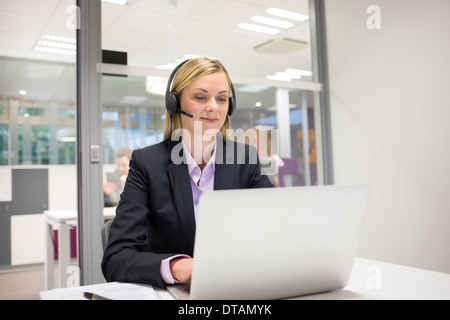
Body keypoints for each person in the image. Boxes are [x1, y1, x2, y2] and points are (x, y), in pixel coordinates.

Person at [101, 57, 273, 288]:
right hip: (179, 293)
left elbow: (276, 230)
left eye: (221, 98)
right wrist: (176, 267)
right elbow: (116, 258)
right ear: (174, 103)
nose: (214, 106)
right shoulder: (147, 164)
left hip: (237, 286)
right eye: (201, 97)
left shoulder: (245, 160)